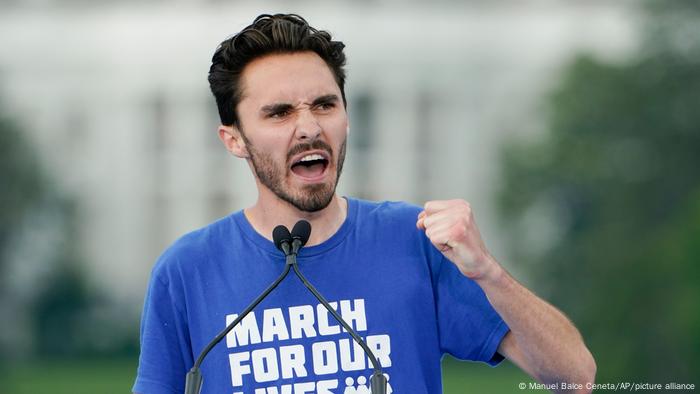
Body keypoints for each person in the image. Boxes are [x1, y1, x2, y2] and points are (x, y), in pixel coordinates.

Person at [133, 13, 596, 394]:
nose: (309, 127)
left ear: (347, 118)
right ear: (234, 140)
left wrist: (489, 274)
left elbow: (575, 379)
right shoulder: (187, 270)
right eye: (279, 113)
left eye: (325, 105)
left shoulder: (412, 241)